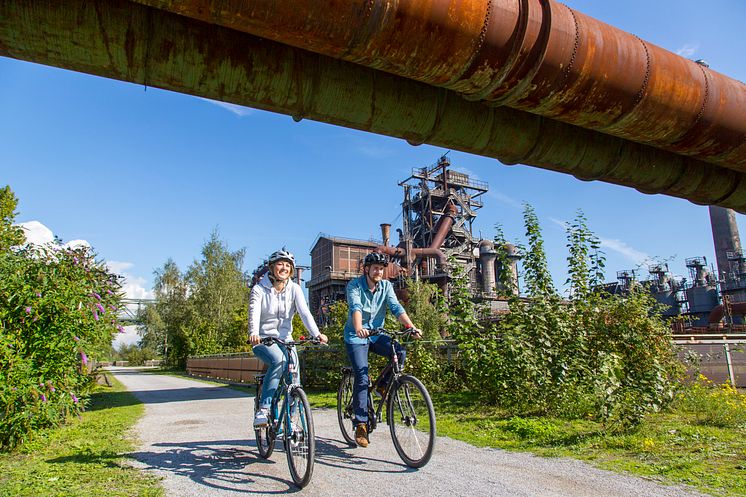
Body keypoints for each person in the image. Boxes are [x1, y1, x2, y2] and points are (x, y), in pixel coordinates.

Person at [343, 252, 421, 448]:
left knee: (399, 351)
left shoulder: (386, 286)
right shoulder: (354, 285)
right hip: (356, 336)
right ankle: (360, 424)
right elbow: (356, 307)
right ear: (366, 269)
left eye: (381, 268)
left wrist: (410, 327)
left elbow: (396, 308)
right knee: (362, 375)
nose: (378, 271)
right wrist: (359, 328)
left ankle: (381, 387)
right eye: (375, 268)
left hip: (377, 334)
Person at [249, 248, 328, 427]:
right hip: (263, 339)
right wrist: (253, 333)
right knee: (279, 360)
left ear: (291, 270)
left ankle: (291, 422)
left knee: (294, 379)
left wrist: (316, 334)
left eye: (287, 265)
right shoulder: (259, 289)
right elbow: (253, 313)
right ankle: (264, 409)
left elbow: (305, 313)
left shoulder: (294, 289)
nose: (284, 268)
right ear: (272, 267)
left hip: (286, 340)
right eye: (280, 264)